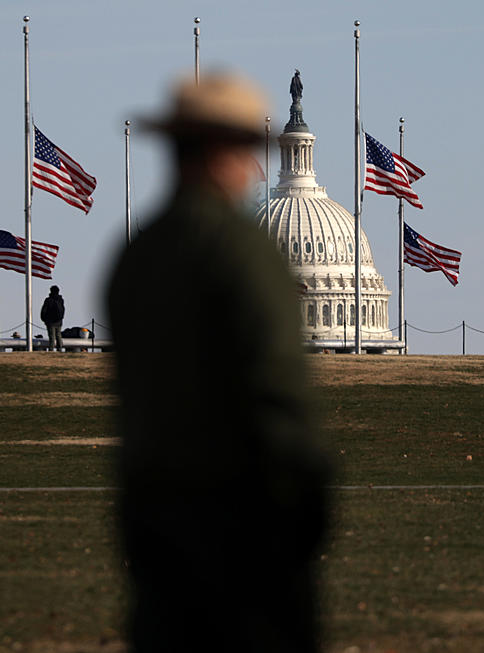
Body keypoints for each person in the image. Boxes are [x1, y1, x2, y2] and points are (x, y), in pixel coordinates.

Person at [106, 73, 328, 652]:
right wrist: (306, 515)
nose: (254, 169)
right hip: (241, 528)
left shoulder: (136, 255)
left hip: (153, 524)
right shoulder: (242, 250)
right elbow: (280, 399)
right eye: (244, 152)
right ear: (220, 152)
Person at [40, 285, 65, 352]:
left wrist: (44, 319)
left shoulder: (48, 300)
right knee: (58, 335)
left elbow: (44, 310)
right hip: (59, 321)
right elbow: (63, 310)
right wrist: (61, 318)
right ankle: (59, 349)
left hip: (50, 322)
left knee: (52, 337)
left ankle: (51, 350)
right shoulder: (61, 300)